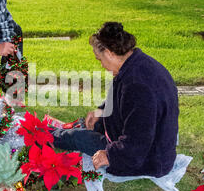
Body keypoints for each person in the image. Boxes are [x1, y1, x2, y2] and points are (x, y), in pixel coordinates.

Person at [51, 22, 179, 179]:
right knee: (87, 125)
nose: (102, 65)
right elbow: (121, 100)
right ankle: (51, 132)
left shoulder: (138, 86)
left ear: (110, 53)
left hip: (147, 159)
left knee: (77, 138)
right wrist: (100, 111)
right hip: (136, 140)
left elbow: (138, 142)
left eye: (100, 59)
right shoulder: (135, 63)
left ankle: (42, 136)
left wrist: (109, 155)